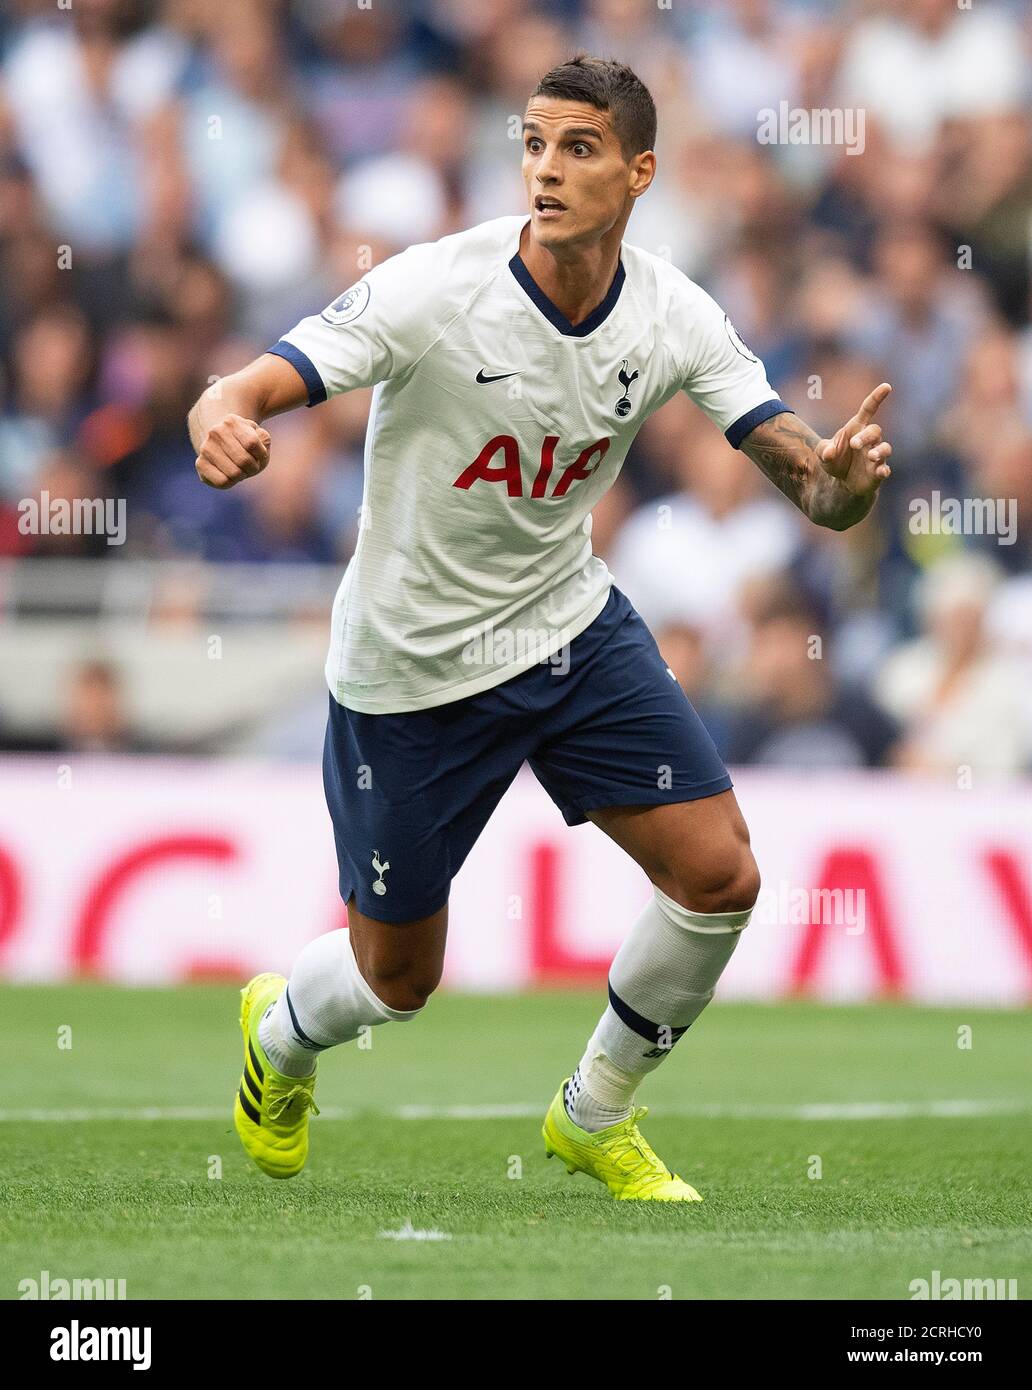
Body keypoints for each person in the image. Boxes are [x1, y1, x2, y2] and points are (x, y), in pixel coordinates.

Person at [187, 56, 894, 1201]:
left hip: (569, 630)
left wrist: (845, 487)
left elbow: (810, 486)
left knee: (719, 876)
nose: (547, 171)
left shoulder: (673, 312)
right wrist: (221, 419)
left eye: (578, 149)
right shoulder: (436, 287)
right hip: (409, 668)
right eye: (533, 146)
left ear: (641, 171)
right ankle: (280, 1037)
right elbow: (243, 385)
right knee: (397, 982)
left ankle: (594, 1112)